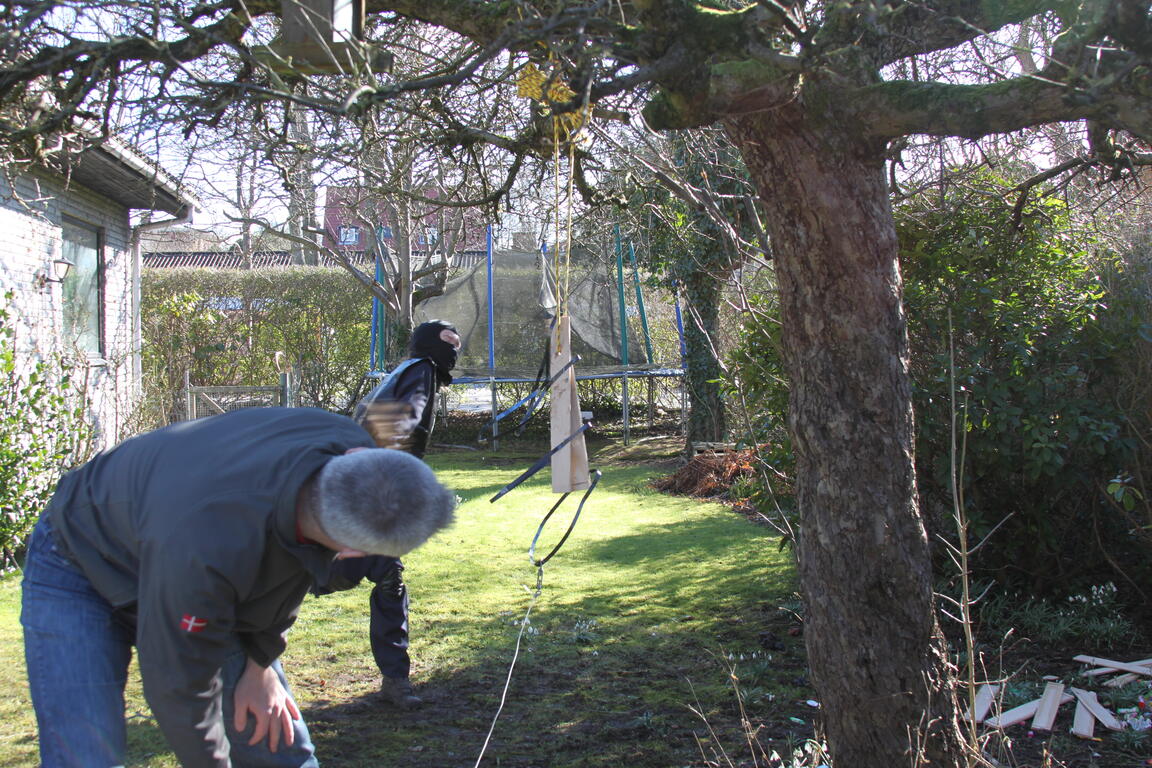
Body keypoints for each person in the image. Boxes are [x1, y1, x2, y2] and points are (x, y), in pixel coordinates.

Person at [20, 406, 456, 768]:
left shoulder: (340, 454)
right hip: (78, 558)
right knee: (86, 755)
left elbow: (294, 564)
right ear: (350, 552)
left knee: (277, 743)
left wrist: (260, 662)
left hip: (179, 543)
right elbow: (180, 686)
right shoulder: (211, 545)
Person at [323, 319, 461, 709]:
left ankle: (395, 679)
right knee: (345, 574)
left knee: (387, 577)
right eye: (448, 341)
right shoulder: (422, 370)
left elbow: (374, 419)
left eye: (457, 343)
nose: (454, 349)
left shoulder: (405, 369)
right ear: (428, 344)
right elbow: (405, 417)